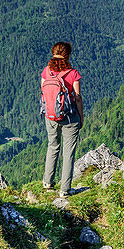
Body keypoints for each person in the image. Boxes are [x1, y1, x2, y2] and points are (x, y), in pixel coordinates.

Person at [41, 41, 83, 198]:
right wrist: (81, 117)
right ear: (68, 55)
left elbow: (43, 93)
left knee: (52, 146)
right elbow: (77, 98)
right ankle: (65, 190)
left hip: (50, 115)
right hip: (69, 116)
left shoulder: (46, 71)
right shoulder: (73, 74)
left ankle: (47, 182)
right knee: (68, 152)